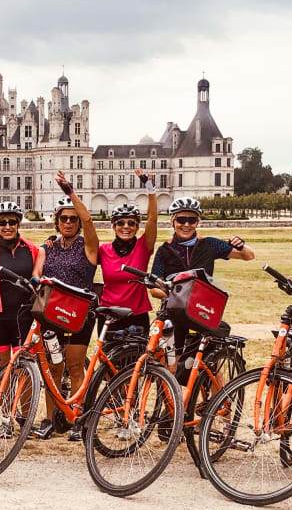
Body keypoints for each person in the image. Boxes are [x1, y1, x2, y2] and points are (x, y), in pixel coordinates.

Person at [32, 171, 99, 441]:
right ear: (57, 222)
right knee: (53, 368)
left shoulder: (88, 246)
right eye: (64, 218)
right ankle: (51, 418)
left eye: (73, 218)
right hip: (53, 312)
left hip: (80, 313)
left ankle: (77, 419)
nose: (69, 222)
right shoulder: (49, 247)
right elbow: (37, 272)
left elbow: (89, 219)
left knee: (73, 366)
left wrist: (71, 193)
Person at [151, 196, 255, 360]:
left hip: (202, 313)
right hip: (174, 314)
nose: (186, 225)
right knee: (170, 364)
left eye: (191, 220)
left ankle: (219, 386)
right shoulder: (164, 250)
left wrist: (241, 245)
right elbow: (154, 288)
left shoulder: (209, 244)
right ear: (173, 221)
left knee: (207, 365)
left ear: (197, 222)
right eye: (181, 219)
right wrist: (177, 294)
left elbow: (248, 256)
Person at [0, 202, 39, 368]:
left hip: (24, 318)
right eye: (2, 223)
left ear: (18, 223)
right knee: (1, 371)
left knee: (24, 372)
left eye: (12, 222)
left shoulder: (32, 250)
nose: (7, 227)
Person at [97, 170, 158, 336]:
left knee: (137, 361)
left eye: (131, 223)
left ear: (137, 227)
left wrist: (150, 189)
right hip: (109, 314)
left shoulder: (143, 247)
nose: (126, 226)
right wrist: (58, 238)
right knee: (107, 361)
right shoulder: (103, 250)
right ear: (113, 226)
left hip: (136, 314)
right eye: (120, 223)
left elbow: (152, 219)